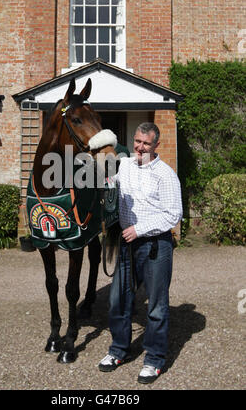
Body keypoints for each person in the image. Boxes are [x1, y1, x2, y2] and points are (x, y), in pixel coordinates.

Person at [98, 122, 183, 384]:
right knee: (118, 301)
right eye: (137, 141)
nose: (140, 147)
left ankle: (154, 359)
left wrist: (140, 228)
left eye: (146, 143)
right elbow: (106, 181)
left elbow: (173, 214)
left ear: (156, 145)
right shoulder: (124, 166)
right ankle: (119, 350)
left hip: (156, 245)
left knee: (156, 306)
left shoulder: (165, 175)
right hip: (126, 244)